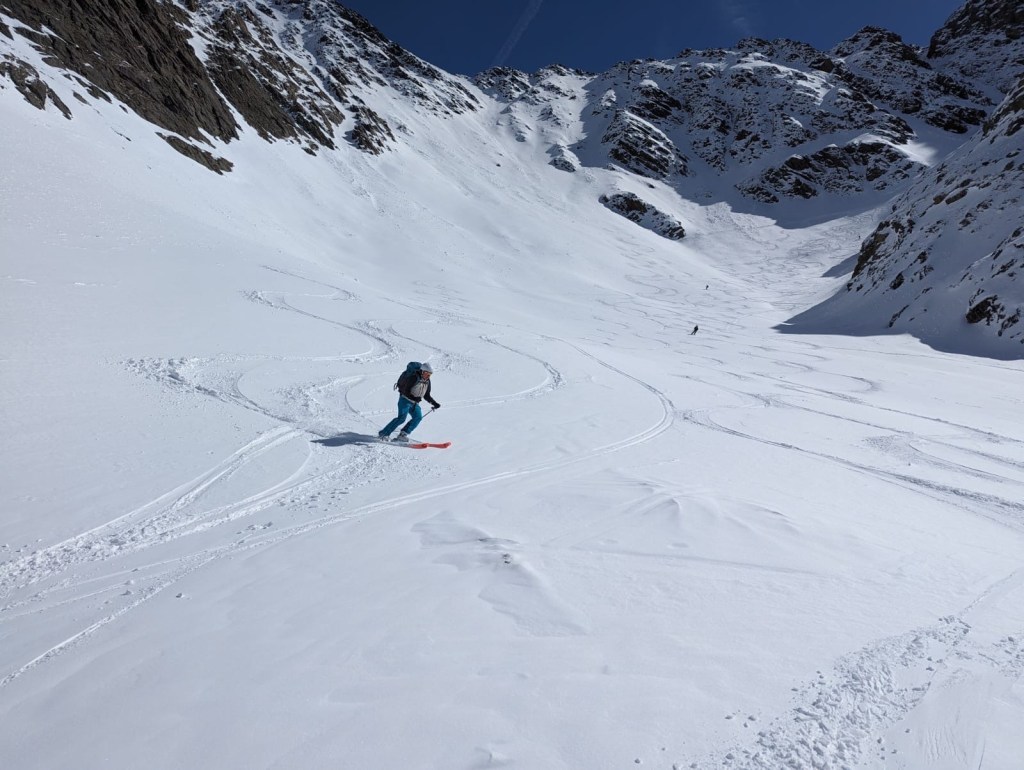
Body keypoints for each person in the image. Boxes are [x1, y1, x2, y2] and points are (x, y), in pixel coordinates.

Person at [379, 362, 441, 441]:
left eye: (430, 374)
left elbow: (426, 395)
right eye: (426, 373)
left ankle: (403, 434)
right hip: (404, 400)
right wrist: (414, 398)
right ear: (422, 371)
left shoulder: (427, 381)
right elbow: (406, 391)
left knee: (418, 417)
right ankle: (384, 434)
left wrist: (434, 403)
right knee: (401, 418)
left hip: (414, 403)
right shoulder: (414, 378)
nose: (428, 376)